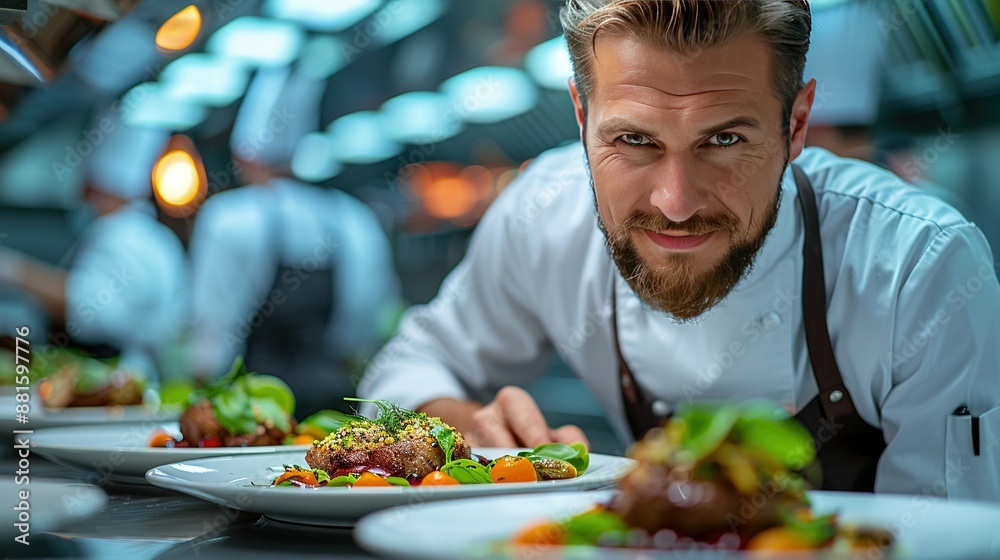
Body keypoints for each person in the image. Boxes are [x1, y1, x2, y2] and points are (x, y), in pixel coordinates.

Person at [358, 0, 1000, 501]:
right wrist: (459, 418)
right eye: (635, 139)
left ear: (796, 124)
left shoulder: (920, 265)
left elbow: (947, 535)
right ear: (581, 116)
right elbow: (405, 368)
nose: (676, 203)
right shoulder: (542, 215)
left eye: (723, 140)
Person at [187, 63, 402, 417]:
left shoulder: (228, 217)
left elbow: (211, 339)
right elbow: (368, 326)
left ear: (242, 155)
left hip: (253, 411)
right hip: (334, 411)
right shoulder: (354, 218)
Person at [0, 113, 188, 382]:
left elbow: (90, 312)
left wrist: (12, 270)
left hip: (116, 381)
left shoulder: (120, 235)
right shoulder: (158, 238)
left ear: (96, 185)